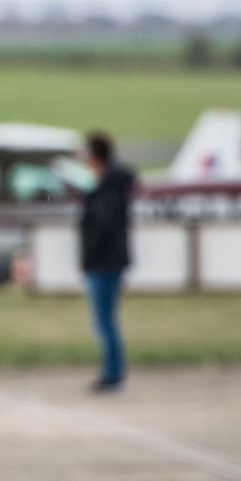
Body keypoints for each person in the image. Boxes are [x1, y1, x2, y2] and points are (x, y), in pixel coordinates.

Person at [79, 130, 134, 392]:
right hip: (108, 260)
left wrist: (90, 255)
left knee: (104, 320)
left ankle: (113, 373)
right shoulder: (109, 185)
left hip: (105, 262)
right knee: (106, 319)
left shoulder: (107, 188)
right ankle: (112, 370)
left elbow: (102, 227)